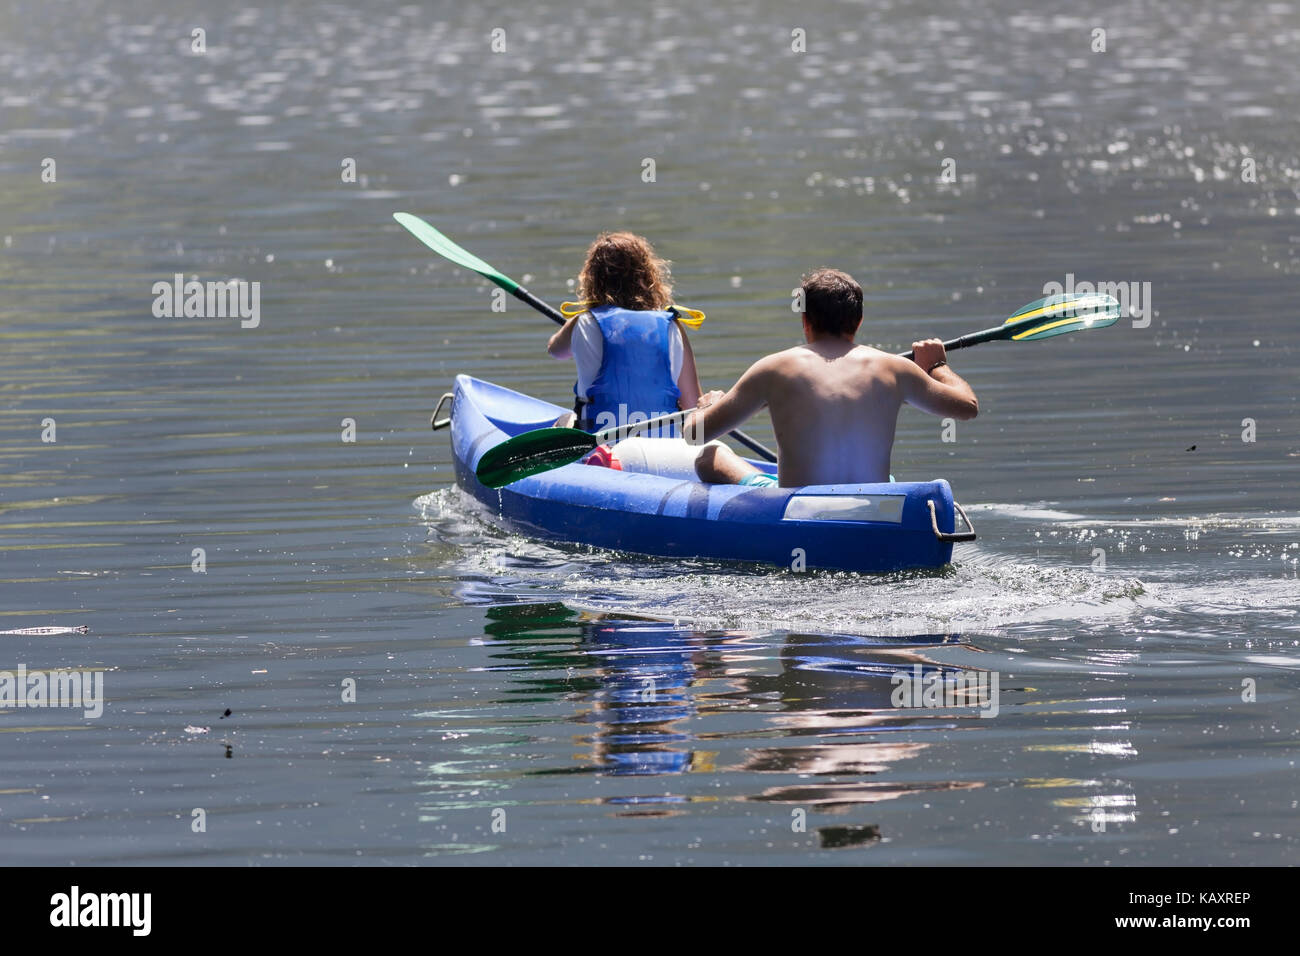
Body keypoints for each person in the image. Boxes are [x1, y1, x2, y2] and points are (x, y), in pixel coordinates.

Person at [683, 268, 979, 488]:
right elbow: (967, 406)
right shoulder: (895, 368)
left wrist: (708, 406)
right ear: (859, 320)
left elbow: (694, 435)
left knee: (710, 457)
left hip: (798, 508)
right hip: (873, 505)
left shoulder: (773, 369)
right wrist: (937, 364)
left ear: (805, 321)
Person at [547, 232, 704, 438]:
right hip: (663, 448)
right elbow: (694, 405)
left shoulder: (584, 322)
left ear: (592, 279)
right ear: (648, 276)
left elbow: (556, 350)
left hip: (601, 447)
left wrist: (581, 316)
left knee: (565, 420)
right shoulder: (672, 326)